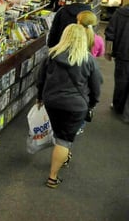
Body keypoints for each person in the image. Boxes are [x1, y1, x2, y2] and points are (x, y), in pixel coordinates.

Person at [36, 24, 101, 188]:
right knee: (64, 139)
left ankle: (64, 154)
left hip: (52, 102)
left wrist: (40, 98)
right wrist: (91, 104)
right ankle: (52, 177)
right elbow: (96, 86)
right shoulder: (88, 60)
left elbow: (40, 80)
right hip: (76, 105)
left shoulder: (51, 55)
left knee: (60, 132)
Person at [104, 2, 129, 121]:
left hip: (122, 54)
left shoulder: (120, 13)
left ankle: (118, 106)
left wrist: (108, 51)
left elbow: (110, 32)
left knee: (121, 82)